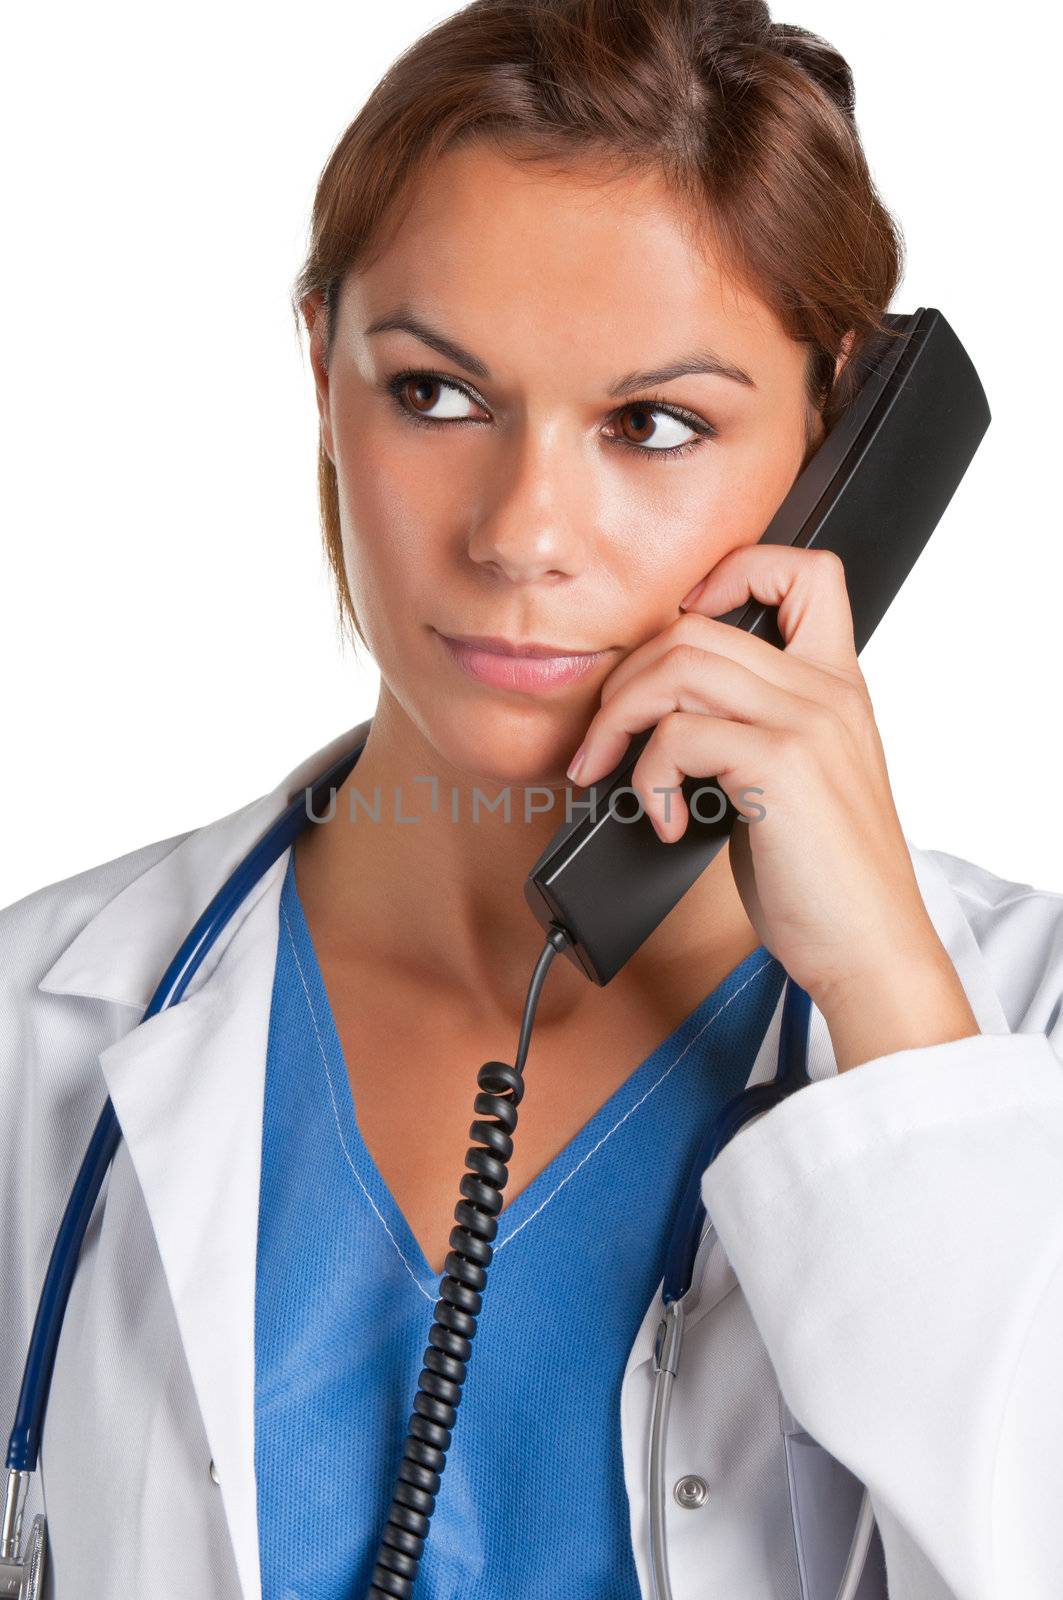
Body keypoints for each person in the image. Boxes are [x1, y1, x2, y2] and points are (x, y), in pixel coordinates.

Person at [2, 1, 1061, 1596]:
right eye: (435, 394)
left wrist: (896, 1004)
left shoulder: (1016, 1039)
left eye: (654, 425)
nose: (521, 532)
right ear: (320, 369)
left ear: (842, 443)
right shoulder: (33, 1037)